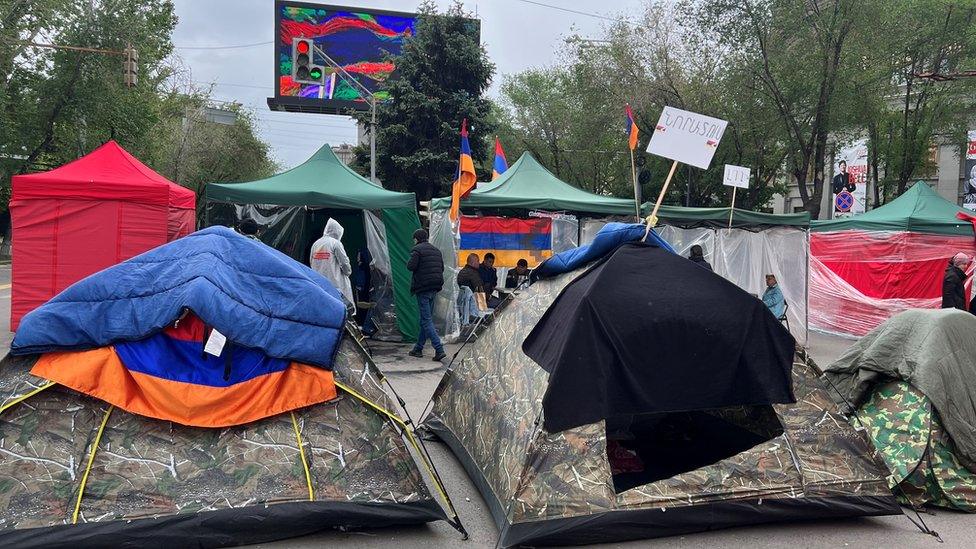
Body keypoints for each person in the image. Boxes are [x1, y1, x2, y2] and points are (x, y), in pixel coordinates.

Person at [406, 228, 446, 361]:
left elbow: (410, 266)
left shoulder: (417, 250)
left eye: (414, 239)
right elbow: (441, 268)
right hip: (434, 287)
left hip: (423, 288)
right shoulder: (436, 250)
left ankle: (439, 349)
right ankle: (418, 348)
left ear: (417, 238)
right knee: (425, 319)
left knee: (426, 320)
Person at [310, 219, 355, 310]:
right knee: (339, 310)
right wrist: (348, 272)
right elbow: (345, 264)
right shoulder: (335, 243)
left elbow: (311, 262)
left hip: (319, 285)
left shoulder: (316, 244)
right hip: (336, 286)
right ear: (337, 232)